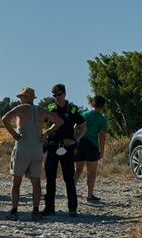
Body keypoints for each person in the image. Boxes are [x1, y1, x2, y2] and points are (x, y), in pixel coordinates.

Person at [2, 87, 64, 221]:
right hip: (37, 150)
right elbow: (59, 122)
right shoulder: (42, 110)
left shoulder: (21, 109)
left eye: (21, 97)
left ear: (26, 98)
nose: (20, 99)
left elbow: (5, 118)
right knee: (36, 182)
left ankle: (14, 211)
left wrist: (13, 134)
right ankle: (35, 212)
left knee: (16, 181)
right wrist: (46, 133)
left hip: (22, 149)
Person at [42, 84, 87, 217]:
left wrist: (75, 140)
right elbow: (41, 122)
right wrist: (44, 135)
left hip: (67, 148)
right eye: (54, 95)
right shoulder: (51, 109)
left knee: (69, 178)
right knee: (50, 179)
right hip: (52, 147)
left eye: (59, 94)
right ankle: (49, 208)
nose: (57, 98)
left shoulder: (72, 109)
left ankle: (72, 208)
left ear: (65, 93)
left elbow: (83, 127)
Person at [74, 95, 109, 202]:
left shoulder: (84, 114)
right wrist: (102, 151)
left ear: (92, 104)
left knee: (78, 170)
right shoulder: (102, 119)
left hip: (80, 144)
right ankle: (89, 196)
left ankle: (70, 192)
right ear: (103, 106)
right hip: (92, 145)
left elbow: (75, 127)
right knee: (91, 172)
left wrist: (75, 141)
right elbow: (102, 137)